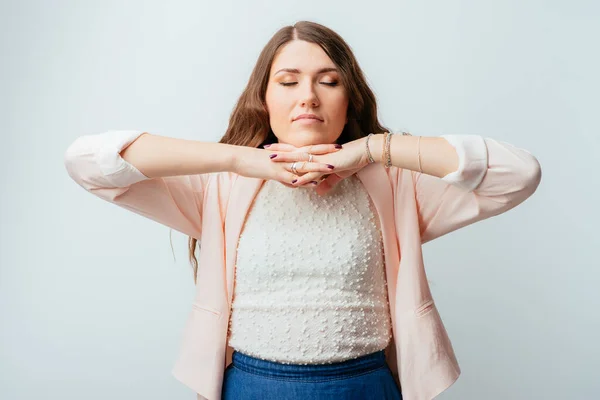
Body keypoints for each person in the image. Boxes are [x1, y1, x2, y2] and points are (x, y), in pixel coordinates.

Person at [64, 20, 541, 400]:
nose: (307, 96)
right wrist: (239, 157)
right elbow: (88, 162)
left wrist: (374, 150)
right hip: (251, 387)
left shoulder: (395, 184)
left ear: (348, 96)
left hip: (366, 386)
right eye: (288, 82)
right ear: (265, 98)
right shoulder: (219, 186)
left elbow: (518, 174)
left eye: (328, 81)